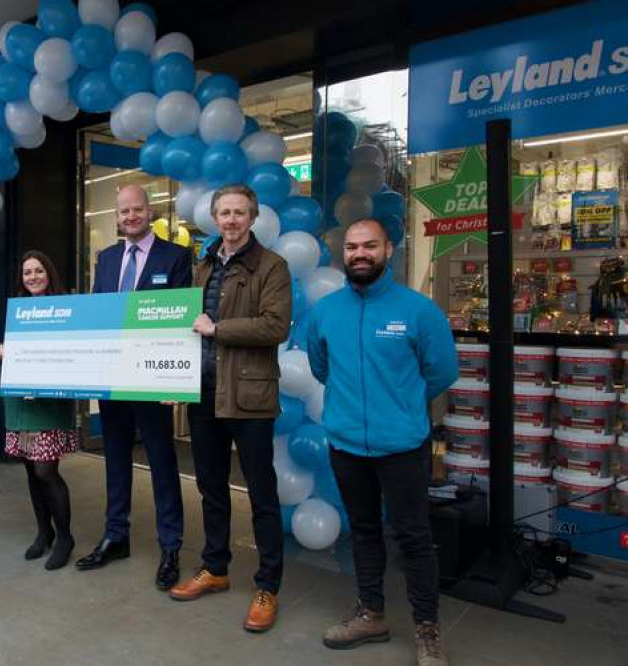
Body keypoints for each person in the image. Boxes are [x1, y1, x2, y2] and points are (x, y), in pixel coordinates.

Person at [305, 219, 458, 666]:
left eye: (369, 245)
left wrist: (403, 403)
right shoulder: (326, 310)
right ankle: (371, 613)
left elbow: (442, 372)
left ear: (388, 249)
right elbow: (321, 367)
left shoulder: (418, 310)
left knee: (413, 536)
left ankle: (427, 630)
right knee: (364, 530)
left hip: (403, 446)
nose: (360, 253)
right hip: (346, 443)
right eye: (352, 247)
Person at [168, 184, 292, 633]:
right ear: (215, 218)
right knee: (211, 488)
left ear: (253, 217)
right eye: (224, 213)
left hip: (249, 397)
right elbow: (186, 327)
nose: (232, 220)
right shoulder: (203, 264)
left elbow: (275, 326)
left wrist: (218, 327)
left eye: (240, 213)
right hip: (204, 394)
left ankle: (268, 586)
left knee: (261, 494)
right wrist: (170, 377)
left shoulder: (272, 266)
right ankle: (215, 567)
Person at [75, 184, 192, 590]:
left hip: (152, 378)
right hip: (112, 377)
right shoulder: (106, 259)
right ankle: (116, 535)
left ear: (149, 210)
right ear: (117, 216)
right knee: (116, 460)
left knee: (161, 461)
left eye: (137, 210)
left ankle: (171, 545)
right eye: (124, 211)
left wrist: (175, 379)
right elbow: (97, 315)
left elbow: (181, 320)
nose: (130, 217)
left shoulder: (176, 257)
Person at [0, 251, 78, 570]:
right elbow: (12, 346)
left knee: (45, 470)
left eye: (38, 270)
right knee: (31, 470)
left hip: (48, 402)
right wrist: (0, 351)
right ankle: (44, 532)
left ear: (49, 273)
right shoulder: (19, 308)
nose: (32, 277)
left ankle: (66, 537)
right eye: (27, 272)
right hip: (19, 400)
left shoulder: (66, 309)